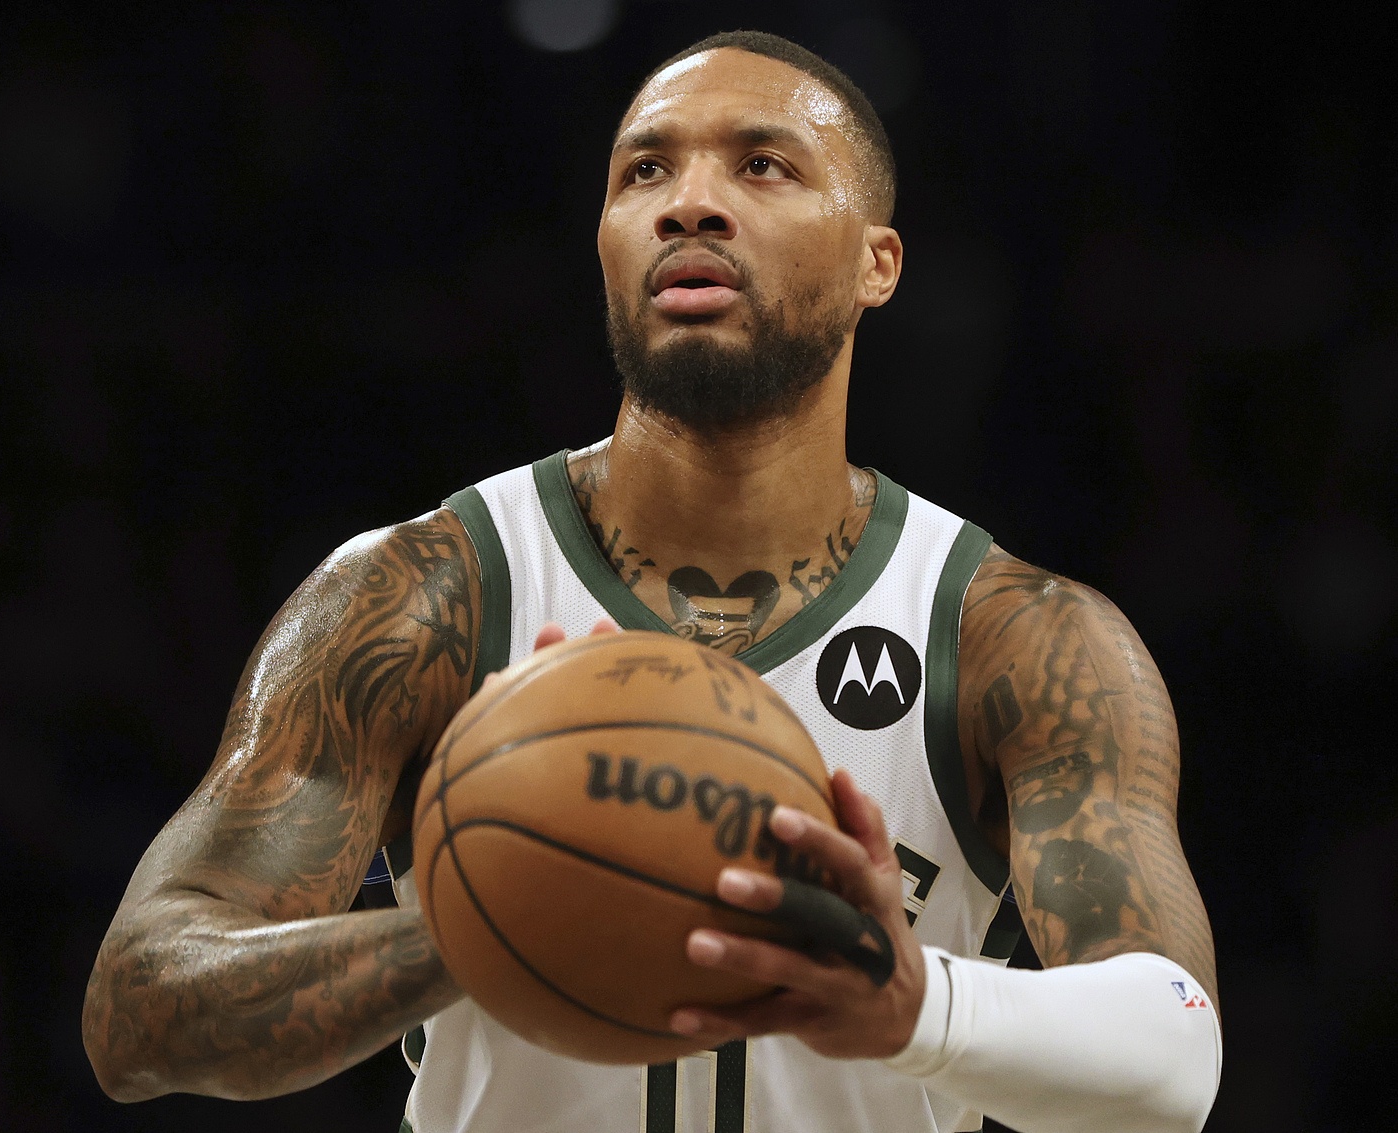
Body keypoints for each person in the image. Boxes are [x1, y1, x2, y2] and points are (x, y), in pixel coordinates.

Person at [82, 29, 1222, 1133]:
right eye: (645, 171)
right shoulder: (425, 594)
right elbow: (137, 1006)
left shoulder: (1014, 635)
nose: (689, 203)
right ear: (605, 243)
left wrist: (919, 1005)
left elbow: (1174, 1055)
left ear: (876, 264)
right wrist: (484, 919)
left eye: (762, 165)